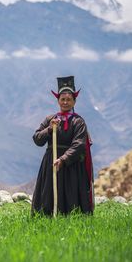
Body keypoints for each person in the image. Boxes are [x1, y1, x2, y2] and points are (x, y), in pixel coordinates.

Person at [31, 76, 94, 216]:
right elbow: (37, 139)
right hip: (50, 162)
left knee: (70, 193)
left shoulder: (78, 122)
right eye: (62, 99)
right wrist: (49, 129)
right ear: (58, 100)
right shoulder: (50, 119)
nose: (65, 102)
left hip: (71, 165)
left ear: (74, 101)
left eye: (69, 99)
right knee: (49, 192)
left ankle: (71, 218)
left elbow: (79, 144)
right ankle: (46, 218)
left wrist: (63, 159)